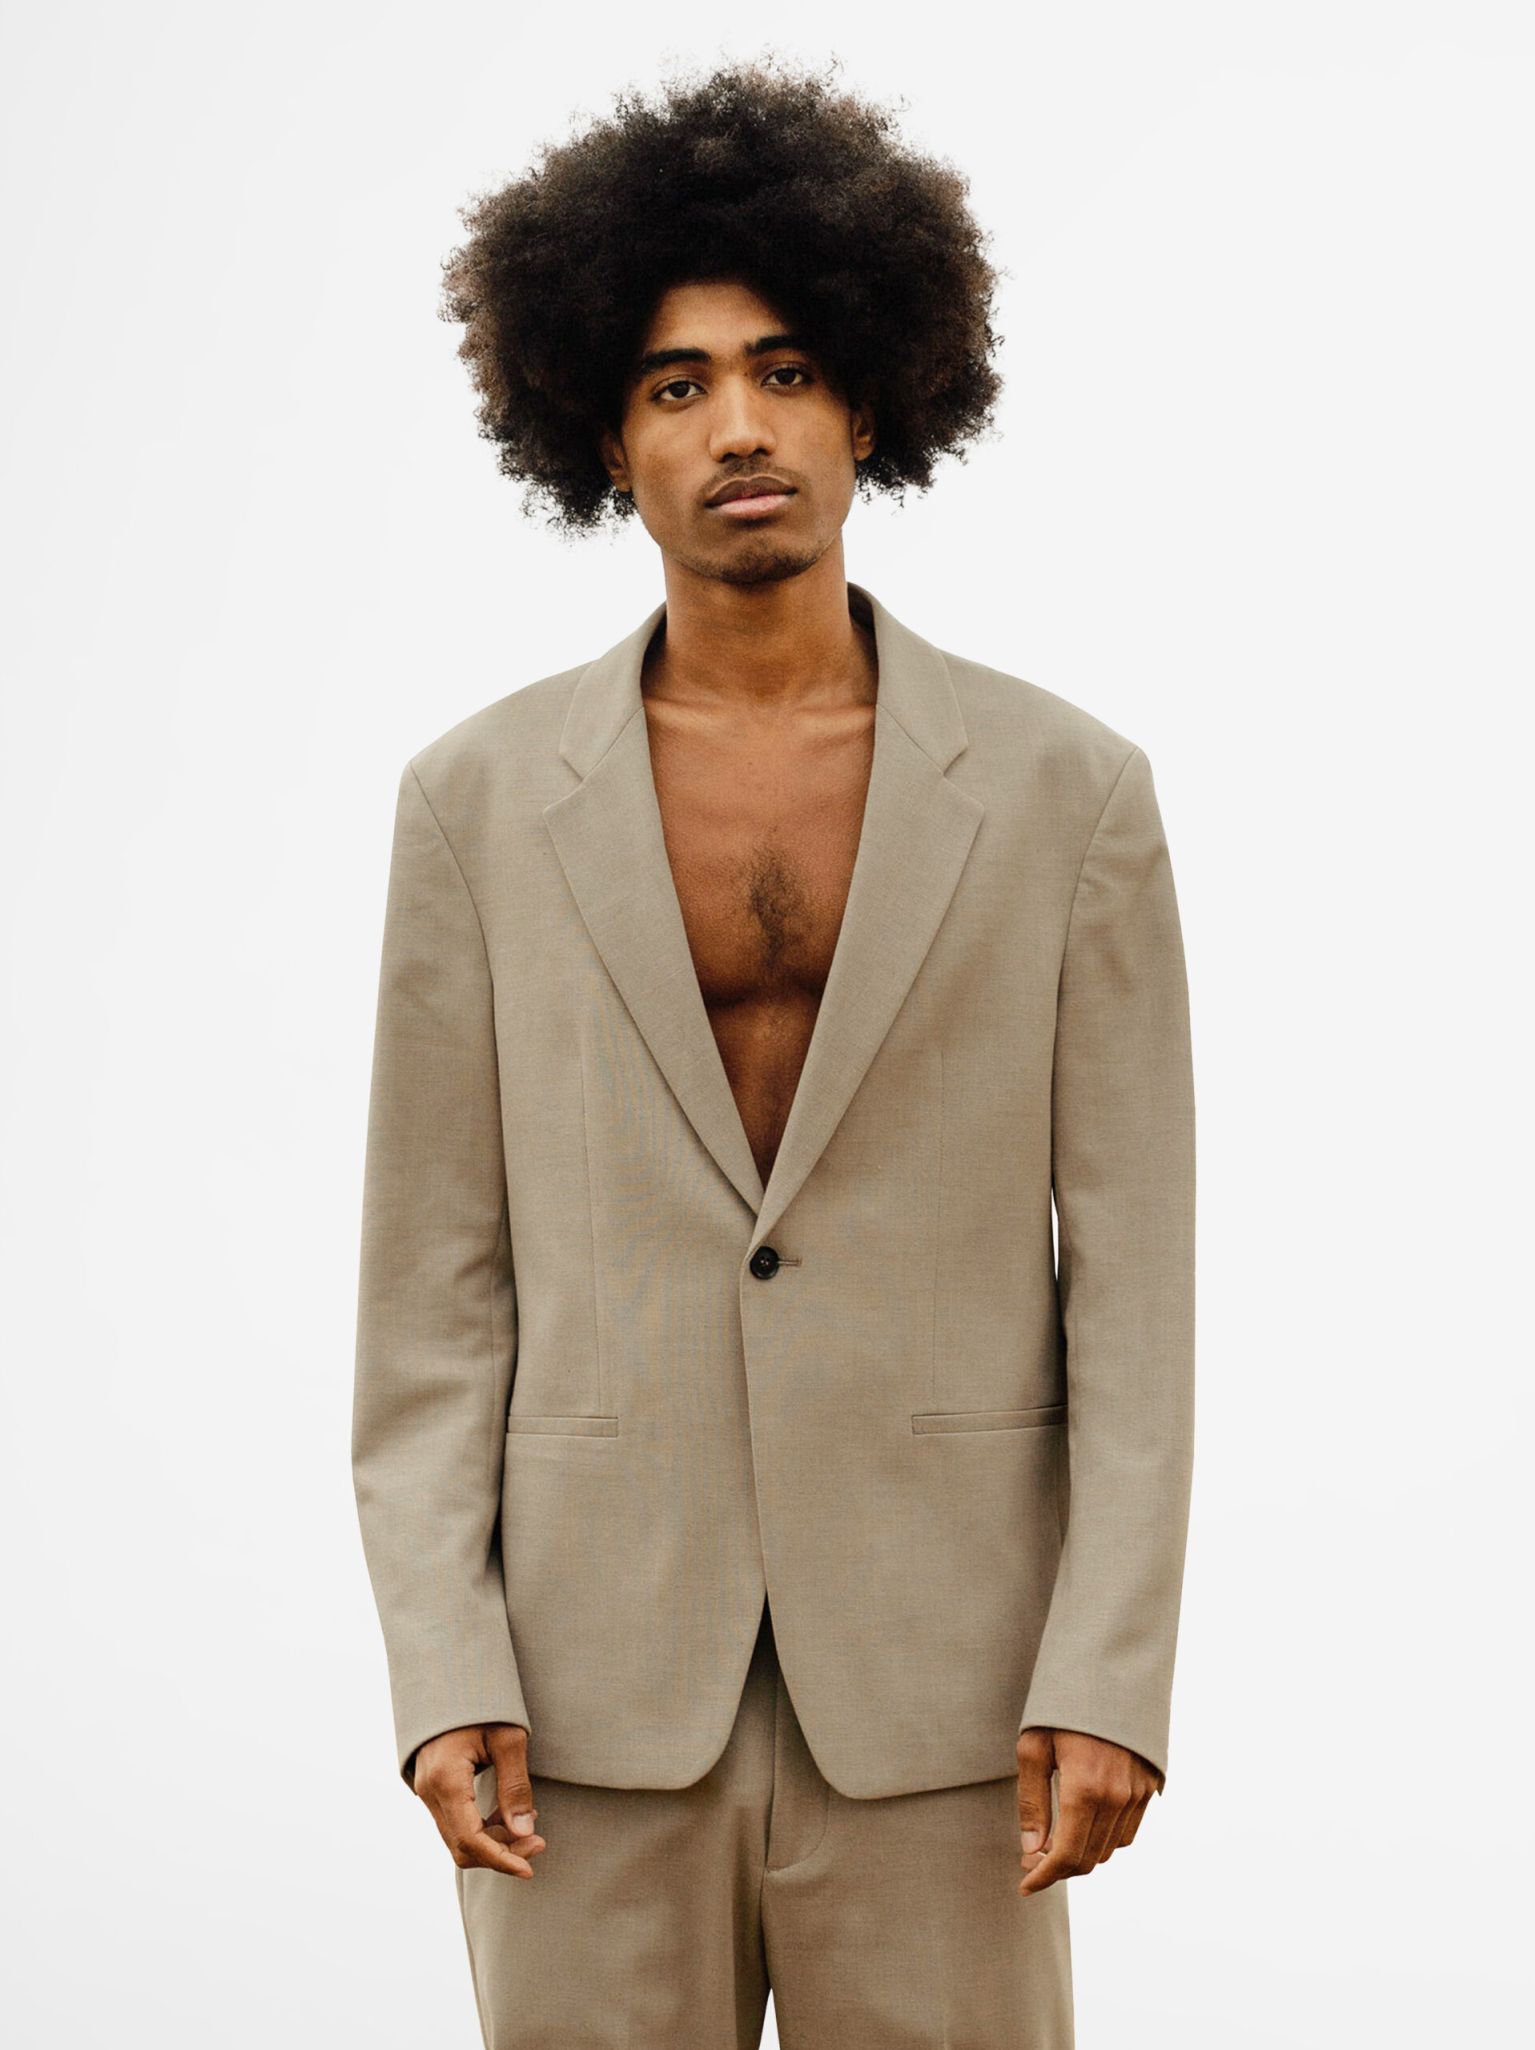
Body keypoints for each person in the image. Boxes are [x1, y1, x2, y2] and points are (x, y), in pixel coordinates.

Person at [351, 54, 1195, 2050]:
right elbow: (431, 1290)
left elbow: (1137, 1282)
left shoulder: (1070, 794)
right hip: (581, 1702)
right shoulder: (476, 803)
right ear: (602, 435)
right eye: (678, 384)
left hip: (954, 1696)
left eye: (788, 370)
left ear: (873, 400)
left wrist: (1110, 1671)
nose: (740, 424)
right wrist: (441, 1665)